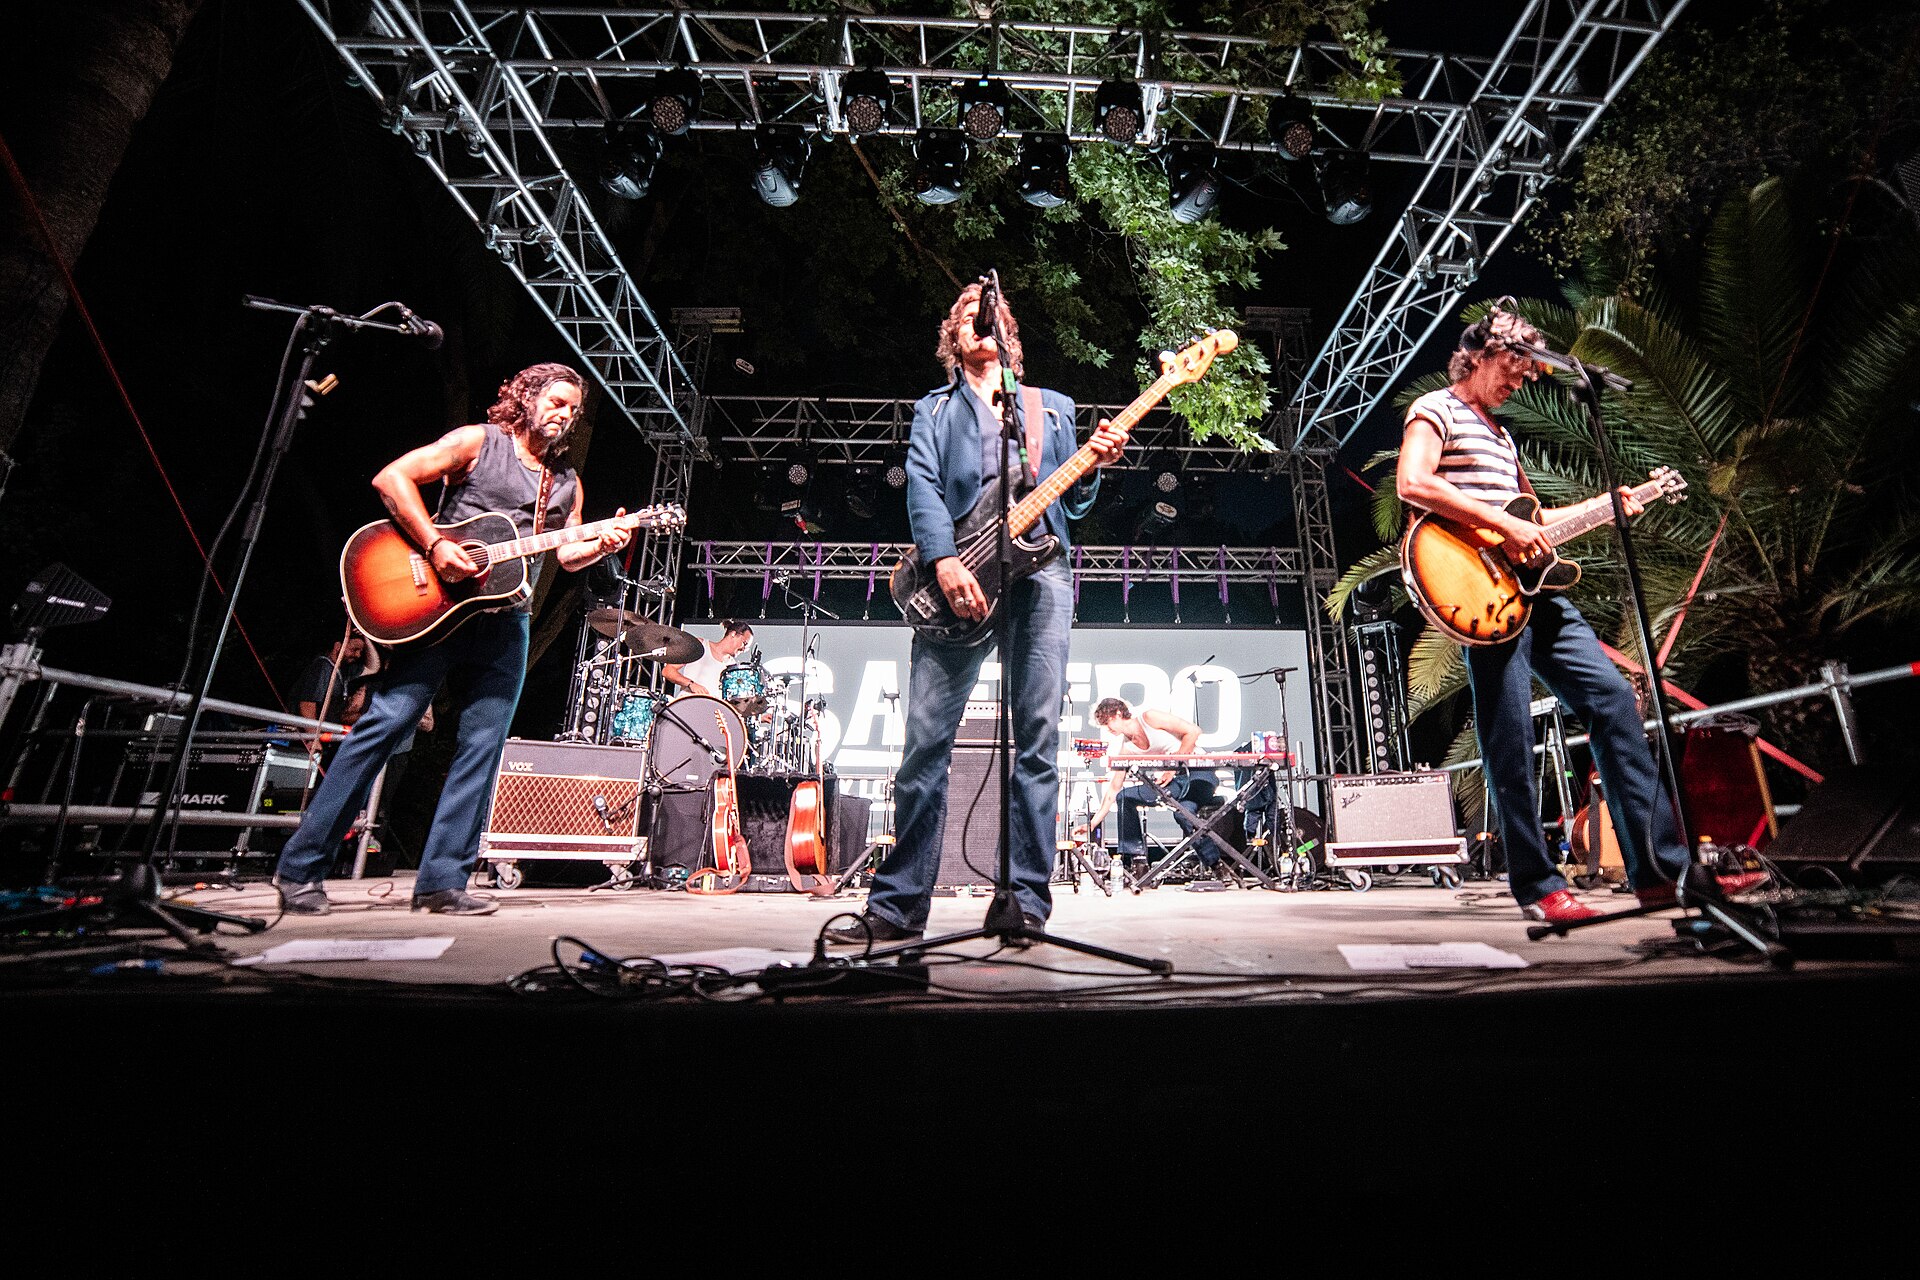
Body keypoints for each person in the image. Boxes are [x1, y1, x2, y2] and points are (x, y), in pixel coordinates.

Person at [1395, 308, 1760, 922]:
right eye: (1514, 368)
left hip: (1533, 591)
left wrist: (1608, 504)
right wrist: (1505, 523)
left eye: (1527, 372)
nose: (1520, 381)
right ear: (1480, 355)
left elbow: (1534, 525)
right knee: (1509, 736)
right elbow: (1413, 483)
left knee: (1614, 701)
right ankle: (1538, 887)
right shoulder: (1437, 408)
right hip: (1479, 593)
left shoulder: (1502, 436)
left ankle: (1661, 873)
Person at [826, 281, 1126, 944]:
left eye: (989, 313)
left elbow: (1074, 505)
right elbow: (924, 488)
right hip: (957, 579)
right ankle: (897, 906)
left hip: (1042, 577)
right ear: (953, 339)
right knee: (925, 745)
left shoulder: (1052, 408)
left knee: (1038, 744)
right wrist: (943, 561)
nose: (979, 318)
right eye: (967, 313)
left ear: (1007, 333)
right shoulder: (934, 410)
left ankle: (1024, 902)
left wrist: (1096, 467)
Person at [272, 362, 631, 916]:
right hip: (436, 607)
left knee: (483, 747)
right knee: (385, 725)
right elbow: (392, 479)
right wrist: (437, 544)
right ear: (528, 397)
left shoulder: (565, 482)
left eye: (573, 411)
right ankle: (301, 869)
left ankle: (442, 882)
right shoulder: (477, 443)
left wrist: (602, 543)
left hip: (508, 620)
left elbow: (565, 553)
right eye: (557, 402)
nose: (565, 415)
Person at [1090, 697, 1219, 872]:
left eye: (1108, 721)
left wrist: (1173, 766)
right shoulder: (1127, 749)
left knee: (1184, 814)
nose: (1107, 727)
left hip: (1199, 774)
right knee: (1124, 797)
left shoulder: (1150, 718)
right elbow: (1114, 789)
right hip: (1174, 782)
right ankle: (1137, 860)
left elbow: (1193, 731)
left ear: (1118, 713)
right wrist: (1092, 824)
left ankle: (1216, 864)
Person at [662, 619, 753, 697]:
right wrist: (691, 684)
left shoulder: (732, 666)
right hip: (687, 703)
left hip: (712, 709)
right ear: (733, 634)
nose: (744, 649)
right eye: (744, 643)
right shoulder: (700, 645)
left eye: (747, 648)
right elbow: (668, 670)